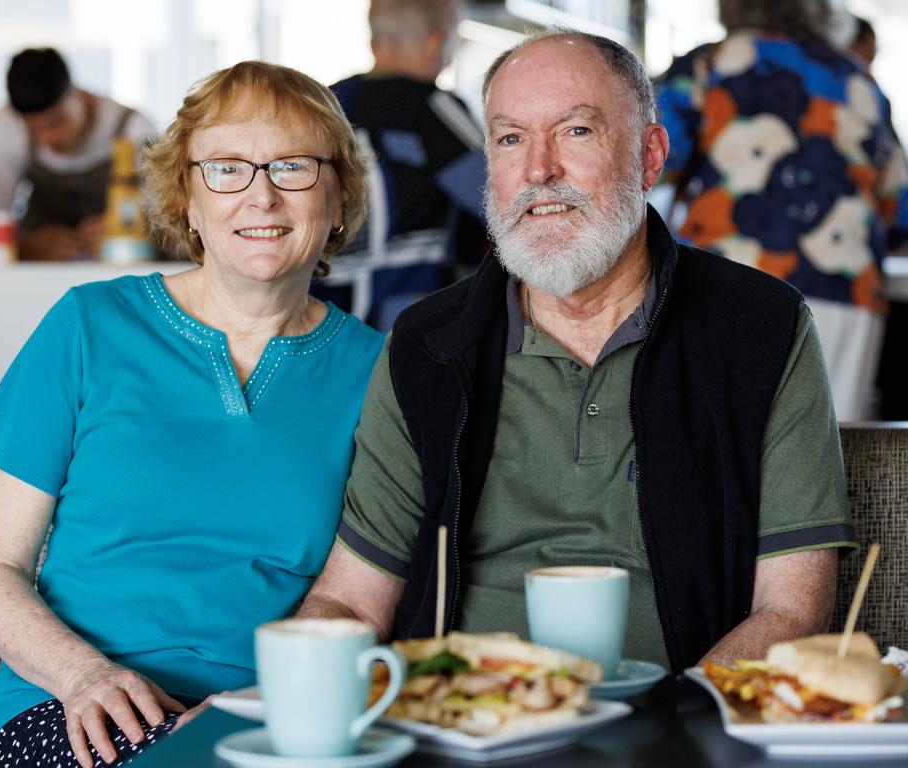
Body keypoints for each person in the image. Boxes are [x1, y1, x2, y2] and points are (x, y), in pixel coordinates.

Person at [297, 29, 857, 675]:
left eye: (576, 132)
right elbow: (352, 601)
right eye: (511, 139)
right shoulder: (427, 346)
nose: (539, 171)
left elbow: (791, 611)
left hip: (681, 722)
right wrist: (284, 699)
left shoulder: (759, 327)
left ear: (650, 155)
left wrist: (676, 729)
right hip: (462, 721)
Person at [0, 61, 383, 768]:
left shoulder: (380, 376)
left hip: (266, 720)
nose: (262, 195)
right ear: (187, 197)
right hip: (66, 710)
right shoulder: (89, 327)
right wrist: (83, 675)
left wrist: (256, 706)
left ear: (339, 198)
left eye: (294, 167)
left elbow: (358, 601)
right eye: (226, 168)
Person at [656, 0, 908, 421]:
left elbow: (650, 159)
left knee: (717, 450)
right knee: (829, 456)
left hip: (726, 280)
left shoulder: (710, 65)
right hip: (845, 286)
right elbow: (898, 209)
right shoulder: (858, 80)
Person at [313, 0, 488, 329]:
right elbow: (500, 197)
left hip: (325, 313)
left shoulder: (323, 105)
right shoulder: (434, 108)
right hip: (411, 312)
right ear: (436, 41)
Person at [0, 48, 158, 261]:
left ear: (79, 96)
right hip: (39, 272)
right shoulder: (5, 127)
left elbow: (168, 218)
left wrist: (127, 234)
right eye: (33, 129)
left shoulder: (133, 128)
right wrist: (26, 246)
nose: (46, 138)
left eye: (56, 123)